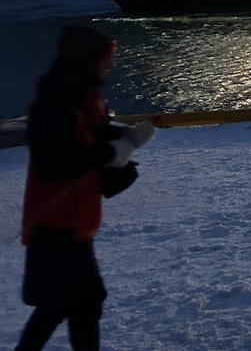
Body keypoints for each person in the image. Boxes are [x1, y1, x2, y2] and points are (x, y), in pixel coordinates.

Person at [16, 25, 155, 351]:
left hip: (73, 220)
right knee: (74, 303)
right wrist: (110, 152)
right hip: (54, 223)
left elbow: (95, 135)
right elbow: (54, 162)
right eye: (104, 58)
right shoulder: (55, 102)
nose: (109, 65)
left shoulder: (83, 96)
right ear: (85, 60)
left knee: (69, 304)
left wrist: (125, 138)